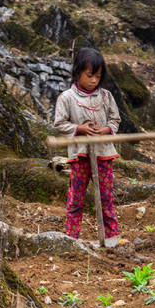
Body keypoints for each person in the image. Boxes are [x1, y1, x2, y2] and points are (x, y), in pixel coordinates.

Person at [54, 47, 121, 247]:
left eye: (98, 76)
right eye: (89, 75)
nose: (94, 80)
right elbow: (59, 123)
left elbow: (115, 119)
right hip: (80, 155)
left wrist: (107, 130)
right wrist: (79, 129)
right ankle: (71, 238)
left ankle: (112, 238)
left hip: (103, 154)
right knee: (76, 197)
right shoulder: (67, 98)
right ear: (78, 73)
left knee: (106, 197)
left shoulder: (106, 96)